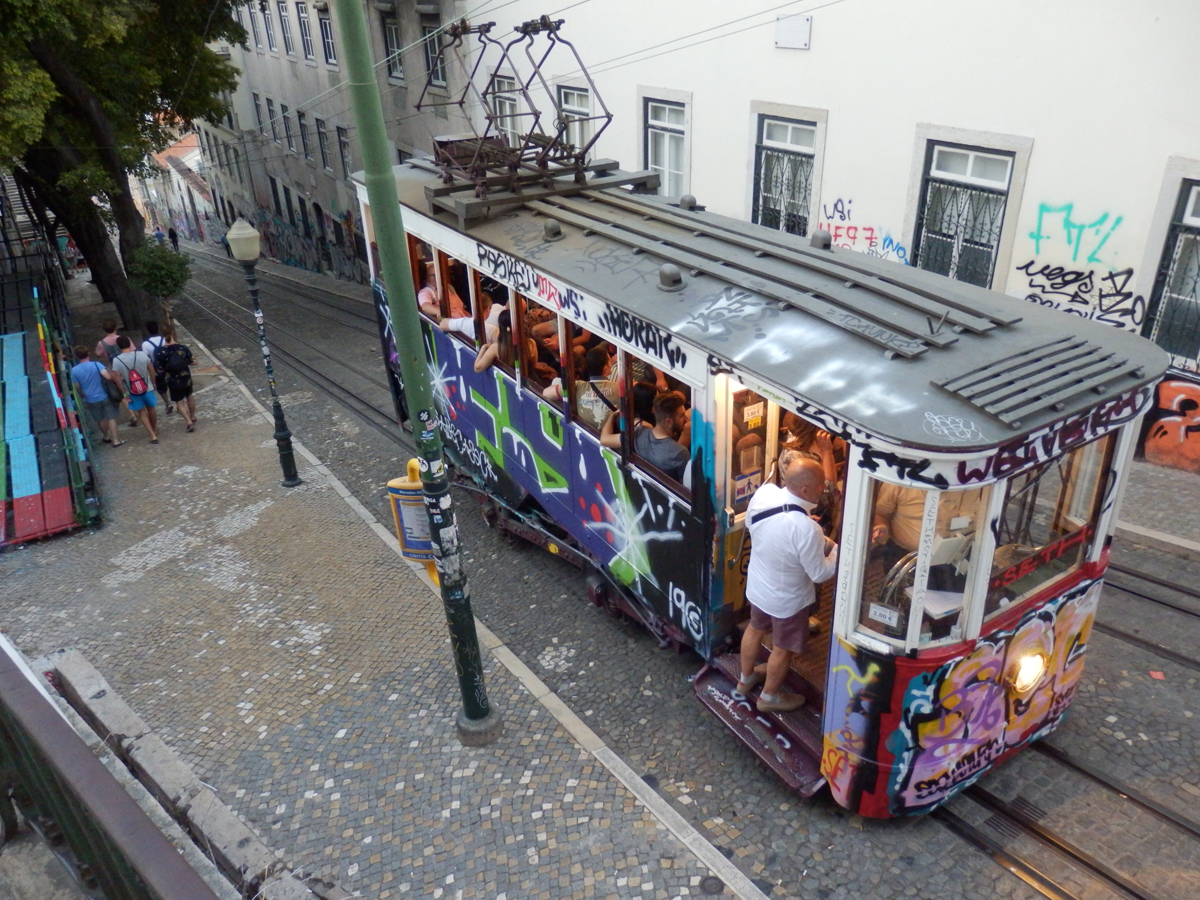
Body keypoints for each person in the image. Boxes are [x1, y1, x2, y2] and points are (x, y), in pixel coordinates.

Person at [736, 452, 839, 712]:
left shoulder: (765, 493)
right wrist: (837, 549)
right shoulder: (807, 528)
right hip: (788, 601)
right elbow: (820, 574)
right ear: (805, 489)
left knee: (754, 629)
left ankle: (745, 679)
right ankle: (769, 698)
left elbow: (753, 524)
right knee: (782, 648)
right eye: (821, 486)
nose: (824, 490)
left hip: (759, 586)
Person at [600, 390, 690, 480]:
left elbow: (604, 440)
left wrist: (611, 417)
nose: (686, 418)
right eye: (681, 415)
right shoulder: (680, 453)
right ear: (668, 422)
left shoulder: (638, 434)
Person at [544, 346, 618, 429]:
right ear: (606, 368)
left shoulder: (576, 386)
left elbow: (546, 393)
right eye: (609, 361)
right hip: (606, 438)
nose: (611, 363)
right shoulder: (619, 388)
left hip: (584, 432)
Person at [69, 346, 124, 447]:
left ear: (76, 356)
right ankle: (116, 440)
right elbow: (107, 377)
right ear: (88, 353)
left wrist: (82, 394)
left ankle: (106, 436)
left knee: (100, 419)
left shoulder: (74, 371)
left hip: (90, 398)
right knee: (111, 417)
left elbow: (77, 386)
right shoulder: (96, 364)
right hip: (104, 395)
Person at [112, 335, 160, 443]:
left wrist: (124, 393)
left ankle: (152, 435)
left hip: (132, 390)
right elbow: (152, 370)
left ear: (119, 346)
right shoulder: (142, 355)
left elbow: (118, 379)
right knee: (151, 409)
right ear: (130, 343)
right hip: (147, 387)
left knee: (141, 412)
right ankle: (154, 428)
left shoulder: (117, 361)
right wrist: (153, 383)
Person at [156, 329, 197, 432]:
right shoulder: (182, 348)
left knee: (179, 401)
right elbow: (193, 362)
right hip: (186, 377)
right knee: (189, 396)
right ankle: (192, 416)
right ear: (172, 334)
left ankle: (188, 421)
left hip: (172, 380)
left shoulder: (160, 351)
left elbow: (159, 368)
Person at [141, 320, 173, 414]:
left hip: (157, 367)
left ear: (148, 331)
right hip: (169, 365)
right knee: (172, 384)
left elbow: (146, 358)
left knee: (160, 386)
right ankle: (178, 402)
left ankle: (167, 402)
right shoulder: (164, 339)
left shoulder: (145, 344)